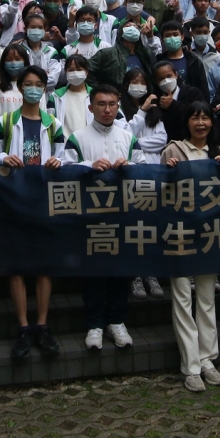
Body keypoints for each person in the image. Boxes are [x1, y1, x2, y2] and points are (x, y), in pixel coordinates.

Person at [0, 65, 71, 359]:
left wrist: (58, 163)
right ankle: (23, 327)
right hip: (14, 200)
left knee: (44, 265)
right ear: (20, 87)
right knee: (17, 265)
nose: (33, 88)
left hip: (44, 201)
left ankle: (42, 325)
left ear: (44, 89)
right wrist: (3, 157)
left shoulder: (54, 124)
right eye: (28, 84)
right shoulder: (5, 121)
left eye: (39, 84)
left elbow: (65, 158)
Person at [67, 86, 144, 350]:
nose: (107, 109)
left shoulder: (128, 137)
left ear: (118, 106)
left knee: (119, 270)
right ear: (91, 107)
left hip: (121, 215)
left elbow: (144, 169)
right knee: (92, 271)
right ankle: (95, 324)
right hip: (89, 217)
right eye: (101, 104)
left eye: (112, 104)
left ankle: (117, 321)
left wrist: (128, 167)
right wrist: (89, 166)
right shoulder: (77, 138)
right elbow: (65, 171)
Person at [160, 102, 220, 391]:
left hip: (210, 234)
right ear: (186, 122)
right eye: (195, 118)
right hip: (179, 232)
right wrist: (168, 173)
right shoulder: (173, 150)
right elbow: (161, 192)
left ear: (212, 123)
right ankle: (190, 366)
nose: (200, 123)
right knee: (182, 298)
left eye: (205, 118)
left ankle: (207, 359)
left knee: (206, 297)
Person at [120, 68, 169, 301]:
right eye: (134, 81)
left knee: (152, 226)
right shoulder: (120, 109)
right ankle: (135, 275)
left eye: (142, 82)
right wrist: (141, 112)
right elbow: (123, 138)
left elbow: (162, 139)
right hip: (131, 175)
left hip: (154, 174)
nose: (138, 85)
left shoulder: (155, 111)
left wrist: (136, 142)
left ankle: (151, 273)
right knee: (133, 226)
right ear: (126, 85)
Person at [88, 15, 155, 91]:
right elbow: (88, 69)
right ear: (120, 31)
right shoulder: (107, 53)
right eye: (128, 26)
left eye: (135, 27)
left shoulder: (145, 55)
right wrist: (101, 90)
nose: (132, 28)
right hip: (114, 96)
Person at [0, 44, 28, 132]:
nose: (13, 63)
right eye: (9, 60)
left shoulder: (34, 88)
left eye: (18, 59)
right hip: (3, 137)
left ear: (25, 61)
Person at [17, 12, 64, 89]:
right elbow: (17, 77)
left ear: (44, 30)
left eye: (40, 28)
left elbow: (53, 80)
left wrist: (30, 81)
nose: (36, 30)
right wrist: (44, 75)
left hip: (46, 94)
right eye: (33, 27)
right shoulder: (18, 50)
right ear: (25, 29)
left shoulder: (52, 52)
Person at [51, 54, 92, 136]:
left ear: (86, 72)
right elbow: (51, 122)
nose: (75, 73)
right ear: (66, 72)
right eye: (71, 70)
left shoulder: (95, 95)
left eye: (79, 69)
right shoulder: (55, 96)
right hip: (64, 143)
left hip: (89, 141)